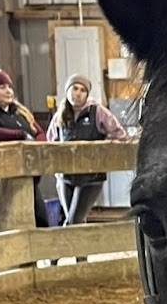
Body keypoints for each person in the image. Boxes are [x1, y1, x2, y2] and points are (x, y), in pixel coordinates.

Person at [46, 73, 127, 225]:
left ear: (87, 94)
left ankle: (66, 248)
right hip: (66, 176)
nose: (77, 93)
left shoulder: (97, 112)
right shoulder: (61, 115)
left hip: (92, 176)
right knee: (74, 219)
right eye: (74, 88)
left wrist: (104, 147)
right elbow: (51, 140)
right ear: (67, 90)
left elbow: (119, 133)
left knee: (73, 221)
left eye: (82, 90)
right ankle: (79, 249)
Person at [0, 68, 49, 227]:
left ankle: (43, 251)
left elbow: (39, 132)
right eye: (1, 87)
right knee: (7, 220)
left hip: (27, 174)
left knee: (40, 219)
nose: (8, 91)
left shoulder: (20, 112)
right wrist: (21, 135)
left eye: (9, 87)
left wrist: (38, 144)